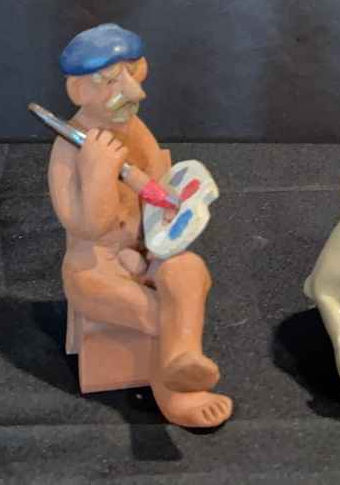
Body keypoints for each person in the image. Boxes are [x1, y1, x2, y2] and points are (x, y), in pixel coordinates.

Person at [46, 24, 233, 428]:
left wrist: (170, 209)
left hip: (148, 248)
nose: (135, 92)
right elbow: (89, 227)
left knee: (189, 269)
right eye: (113, 80)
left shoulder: (136, 129)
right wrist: (98, 173)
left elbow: (159, 185)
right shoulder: (68, 150)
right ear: (79, 90)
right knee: (161, 314)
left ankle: (184, 357)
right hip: (95, 268)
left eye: (134, 74)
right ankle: (178, 389)